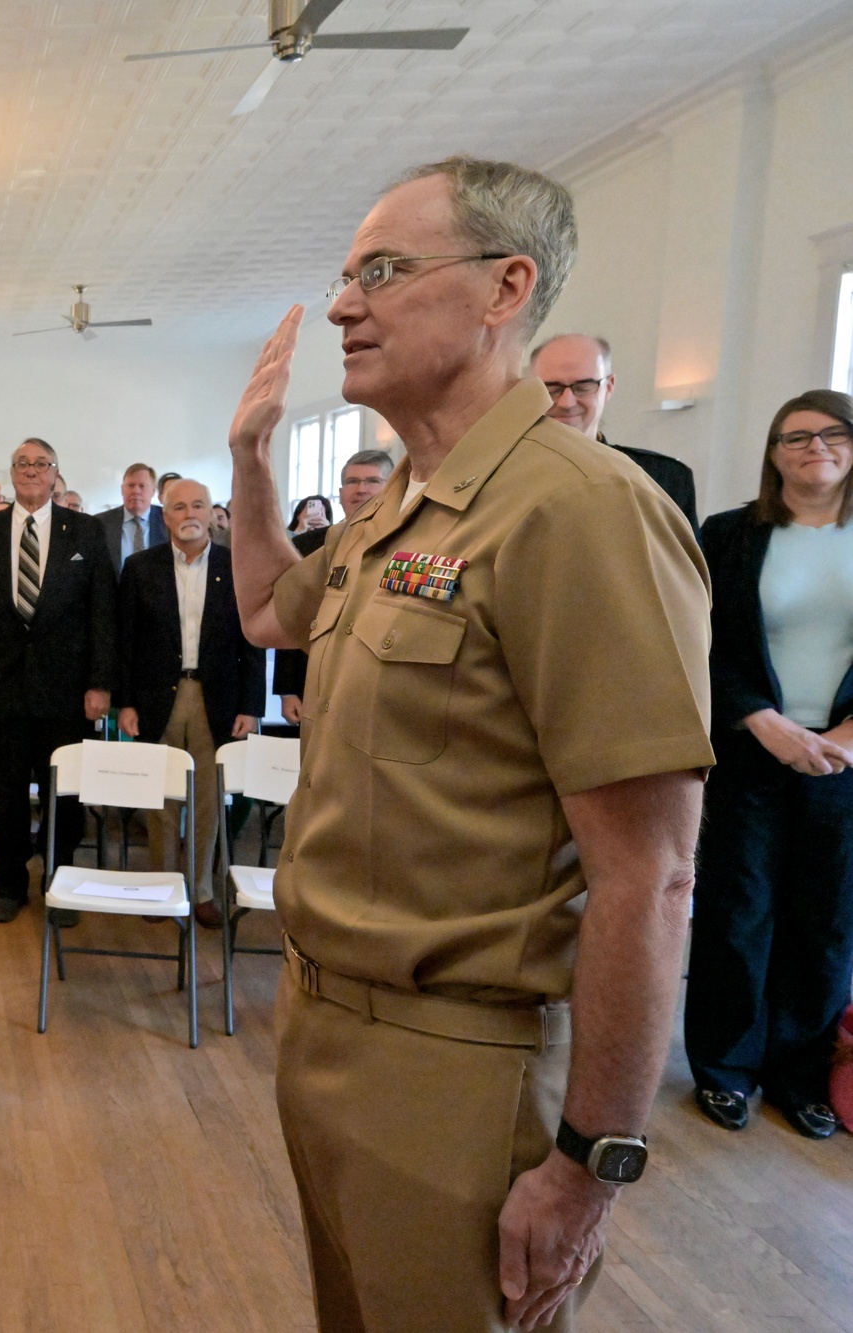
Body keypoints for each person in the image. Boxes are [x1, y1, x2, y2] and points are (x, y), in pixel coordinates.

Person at [224, 155, 712, 1333]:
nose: (345, 305)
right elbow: (262, 613)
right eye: (345, 278)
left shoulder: (577, 510)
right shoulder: (400, 506)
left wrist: (592, 1159)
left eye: (382, 272)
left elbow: (647, 876)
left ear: (505, 289)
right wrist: (245, 461)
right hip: (323, 1021)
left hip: (459, 1064)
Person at [686, 389, 853, 1140]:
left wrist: (847, 735)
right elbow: (700, 642)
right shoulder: (728, 534)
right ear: (771, 452)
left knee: (826, 923)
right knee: (737, 911)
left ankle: (800, 1075)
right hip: (751, 751)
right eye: (794, 437)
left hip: (845, 759)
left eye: (829, 434)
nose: (813, 447)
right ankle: (724, 1069)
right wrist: (761, 718)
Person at [0, 438, 115, 925]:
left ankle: (60, 881)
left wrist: (101, 683)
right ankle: (10, 883)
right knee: (6, 793)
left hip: (68, 692)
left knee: (64, 793)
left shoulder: (84, 532)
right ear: (12, 472)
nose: (32, 471)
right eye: (23, 464)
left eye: (42, 464)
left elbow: (103, 613)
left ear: (56, 473)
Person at [114, 478, 263, 925]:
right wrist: (125, 702)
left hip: (215, 699)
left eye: (198, 505)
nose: (189, 514)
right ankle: (163, 888)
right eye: (179, 507)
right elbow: (125, 642)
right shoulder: (140, 568)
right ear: (166, 517)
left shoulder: (235, 567)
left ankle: (199, 891)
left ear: (210, 512)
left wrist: (251, 706)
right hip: (157, 696)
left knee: (206, 801)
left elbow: (253, 642)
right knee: (160, 800)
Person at [273, 449, 395, 724]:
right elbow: (293, 615)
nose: (361, 489)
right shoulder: (309, 544)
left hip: (381, 682)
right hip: (316, 678)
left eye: (372, 481)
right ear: (340, 491)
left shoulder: (410, 541)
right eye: (352, 481)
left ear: (392, 487)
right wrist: (288, 690)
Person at [530, 333, 697, 529]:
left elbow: (679, 559)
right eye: (551, 388)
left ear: (608, 387)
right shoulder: (505, 474)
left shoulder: (663, 478)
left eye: (583, 387)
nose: (567, 402)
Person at [97, 462, 165, 576]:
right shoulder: (101, 523)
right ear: (122, 489)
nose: (136, 491)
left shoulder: (167, 520)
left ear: (153, 491)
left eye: (142, 486)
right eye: (130, 485)